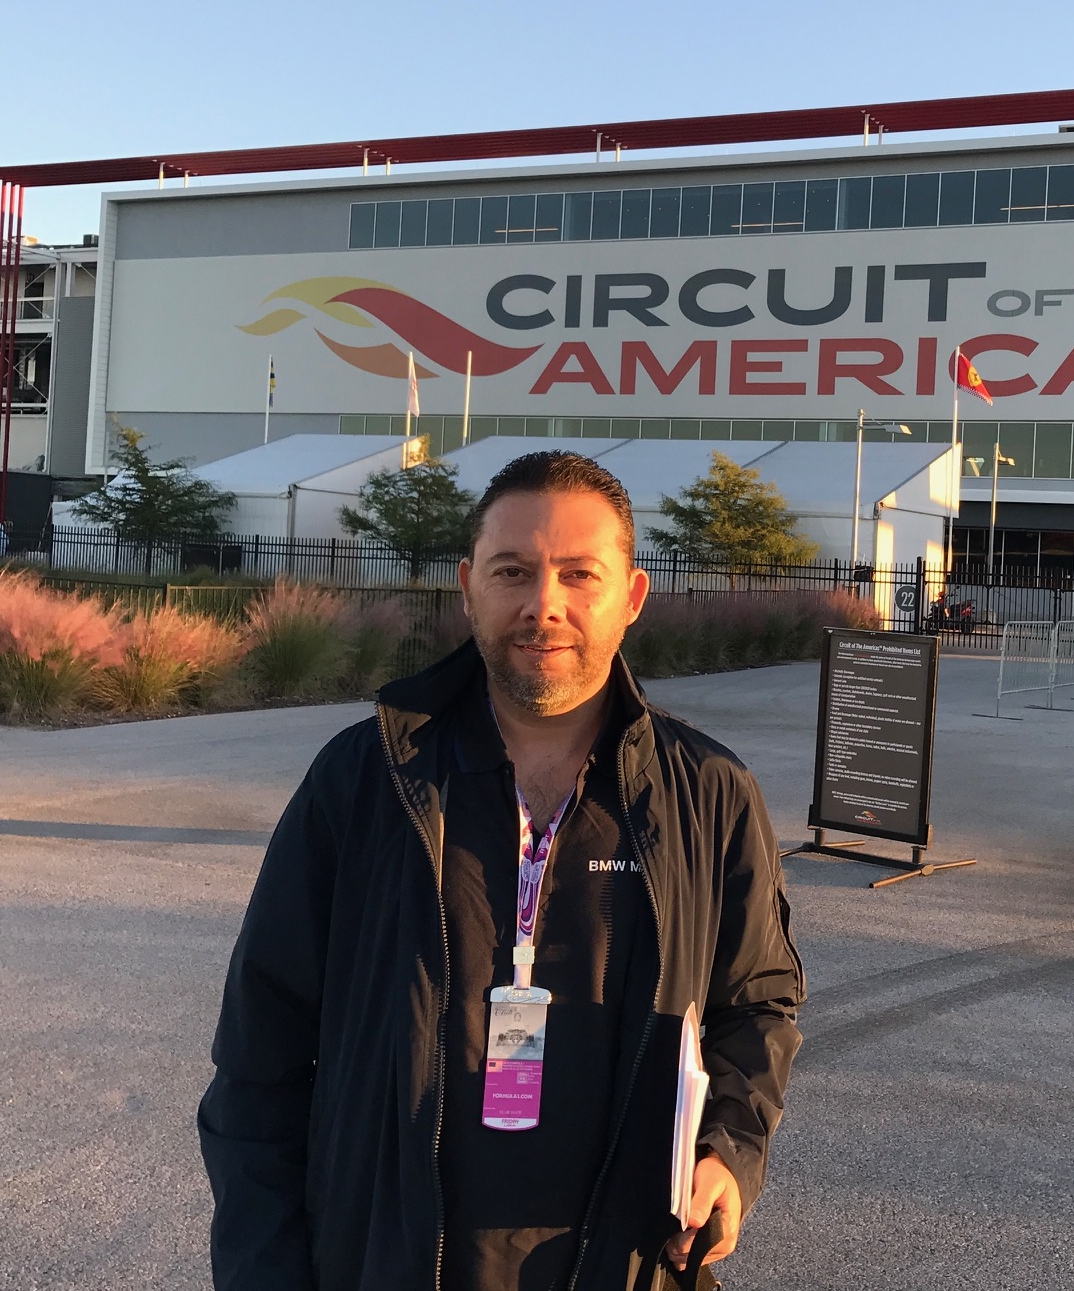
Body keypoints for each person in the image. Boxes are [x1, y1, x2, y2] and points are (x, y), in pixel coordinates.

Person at [198, 451, 805, 1291]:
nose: (542, 605)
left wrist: (729, 1151)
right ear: (468, 585)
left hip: (623, 1266)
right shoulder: (364, 780)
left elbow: (758, 1003)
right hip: (380, 1261)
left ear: (631, 597)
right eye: (512, 571)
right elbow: (258, 1059)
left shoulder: (708, 794)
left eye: (578, 574)